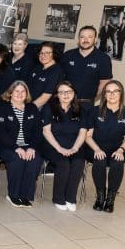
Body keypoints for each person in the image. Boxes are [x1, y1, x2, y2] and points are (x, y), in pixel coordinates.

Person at [85, 80, 125, 213]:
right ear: (104, 94)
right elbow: (87, 136)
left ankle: (110, 199)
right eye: (108, 91)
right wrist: (97, 149)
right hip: (95, 147)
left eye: (115, 91)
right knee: (100, 160)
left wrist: (121, 150)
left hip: (118, 148)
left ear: (121, 94)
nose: (112, 94)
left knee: (117, 161)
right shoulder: (94, 111)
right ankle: (100, 197)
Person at [0, 81, 43, 208]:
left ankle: (25, 195)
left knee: (35, 159)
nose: (20, 94)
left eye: (23, 91)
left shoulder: (32, 108)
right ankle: (13, 195)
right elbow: (1, 132)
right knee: (17, 159)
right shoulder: (2, 108)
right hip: (5, 146)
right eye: (17, 91)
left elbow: (38, 131)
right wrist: (16, 148)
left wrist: (31, 148)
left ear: (27, 94)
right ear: (10, 93)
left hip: (27, 145)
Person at [41, 81, 87, 211]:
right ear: (57, 95)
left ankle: (70, 198)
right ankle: (58, 198)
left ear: (74, 93)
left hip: (74, 145)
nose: (65, 95)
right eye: (62, 92)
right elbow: (46, 131)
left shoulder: (80, 110)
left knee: (78, 161)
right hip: (52, 145)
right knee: (64, 163)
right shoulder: (48, 108)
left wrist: (75, 148)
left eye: (69, 92)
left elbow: (83, 132)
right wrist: (59, 148)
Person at [60, 25, 113, 106]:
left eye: (89, 37)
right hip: (64, 102)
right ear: (78, 39)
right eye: (82, 37)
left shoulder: (104, 59)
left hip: (86, 105)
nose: (85, 40)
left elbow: (105, 82)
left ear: (95, 39)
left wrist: (92, 97)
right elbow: (59, 77)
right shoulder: (68, 55)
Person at [28, 42, 63, 110]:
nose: (43, 55)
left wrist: (28, 109)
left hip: (40, 107)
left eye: (47, 53)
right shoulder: (37, 68)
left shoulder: (56, 71)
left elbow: (45, 97)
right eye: (41, 53)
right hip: (29, 103)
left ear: (54, 54)